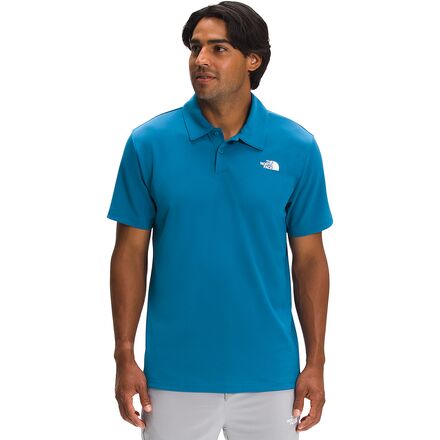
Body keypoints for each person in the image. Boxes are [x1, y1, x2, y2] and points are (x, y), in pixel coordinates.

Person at [107, 1, 333, 438]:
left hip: (272, 376)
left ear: (253, 60)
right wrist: (124, 355)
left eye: (219, 48)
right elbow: (130, 253)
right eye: (195, 48)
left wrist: (316, 362)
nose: (201, 60)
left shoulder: (296, 147)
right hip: (171, 377)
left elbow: (309, 259)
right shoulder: (148, 143)